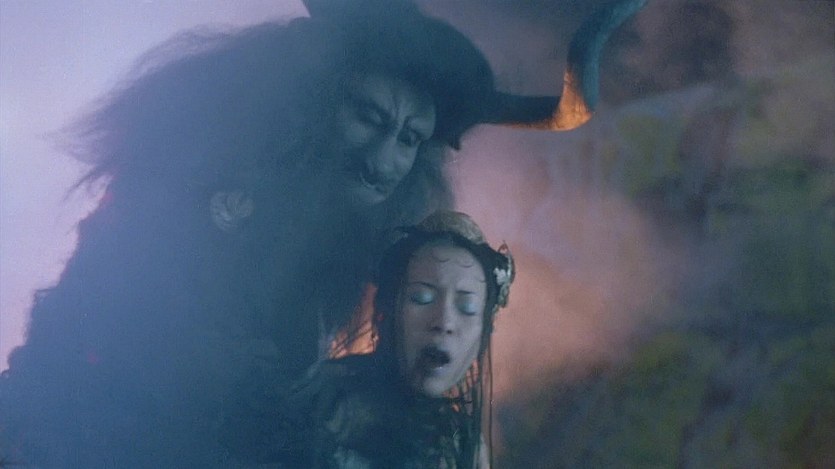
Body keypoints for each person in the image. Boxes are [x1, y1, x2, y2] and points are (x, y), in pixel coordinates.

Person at [0, 1, 642, 466]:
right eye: (368, 117)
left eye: (409, 139)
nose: (382, 161)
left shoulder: (339, 244)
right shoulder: (188, 187)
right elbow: (155, 363)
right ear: (313, 106)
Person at [281, 210, 514, 468]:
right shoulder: (325, 402)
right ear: (389, 308)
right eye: (422, 298)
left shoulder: (461, 445)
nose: (444, 322)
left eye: (467, 308)